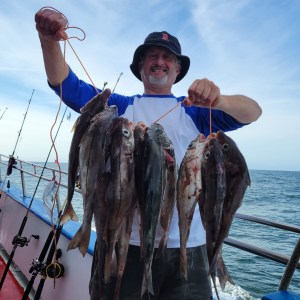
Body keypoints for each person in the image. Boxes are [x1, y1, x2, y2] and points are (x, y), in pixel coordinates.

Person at [35, 8, 262, 300]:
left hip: (187, 249)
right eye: (152, 56)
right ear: (140, 66)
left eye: (168, 57)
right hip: (123, 242)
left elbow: (252, 112)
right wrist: (48, 41)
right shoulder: (117, 107)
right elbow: (65, 85)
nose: (160, 62)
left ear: (178, 69)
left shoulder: (197, 111)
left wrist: (221, 100)